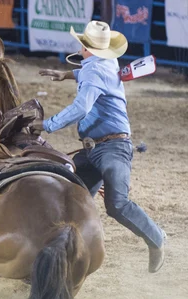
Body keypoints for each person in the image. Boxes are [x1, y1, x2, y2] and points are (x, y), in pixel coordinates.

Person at [33, 21, 166, 273]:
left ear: (85, 47)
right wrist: (68, 74)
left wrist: (47, 125)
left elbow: (81, 107)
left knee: (117, 204)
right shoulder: (105, 63)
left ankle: (156, 238)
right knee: (72, 200)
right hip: (97, 148)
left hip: (113, 148)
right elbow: (92, 71)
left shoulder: (94, 71)